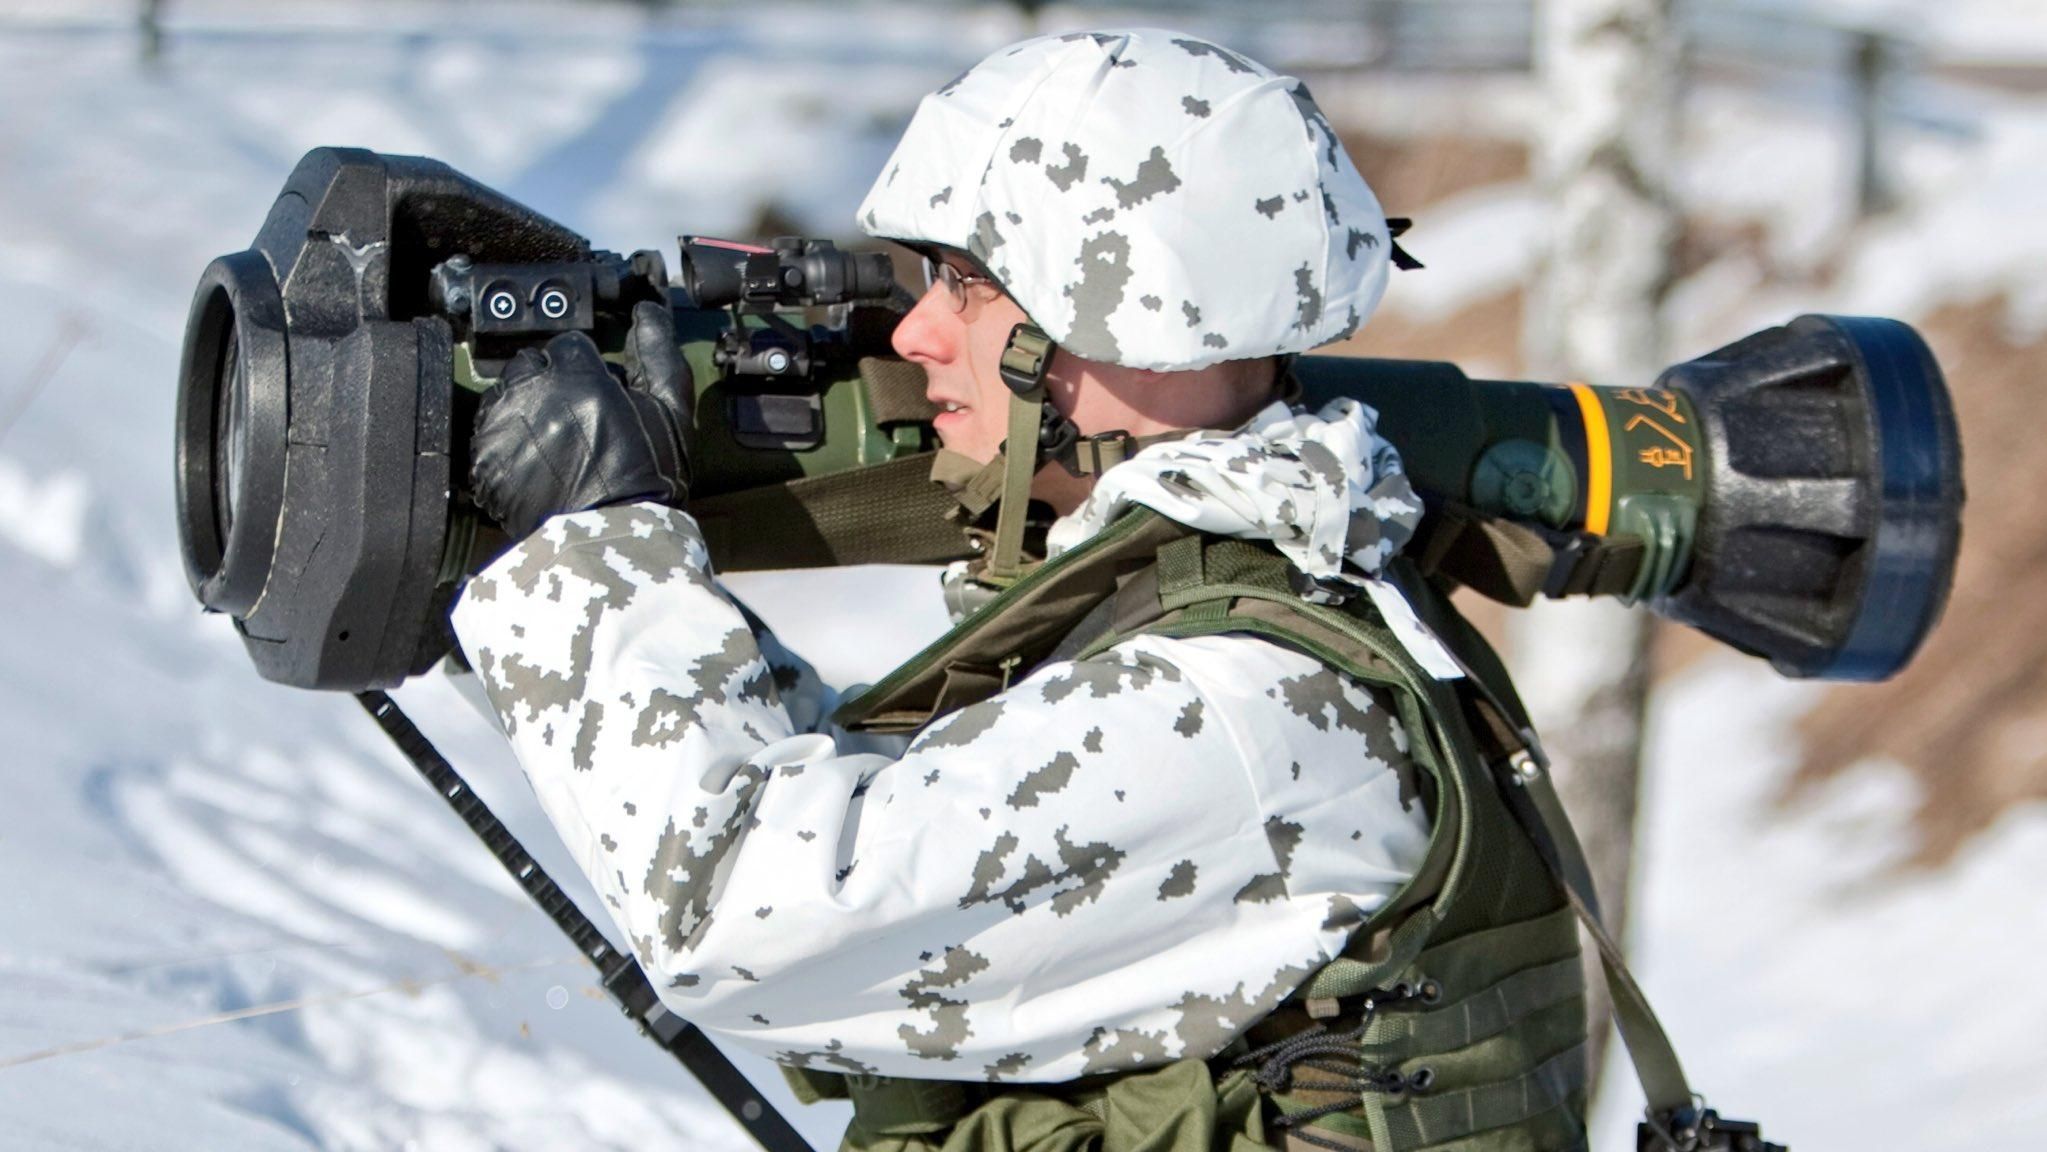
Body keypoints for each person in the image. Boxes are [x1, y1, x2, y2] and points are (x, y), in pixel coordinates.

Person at [453, 28, 1589, 1152]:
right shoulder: (1238, 585)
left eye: (969, 282)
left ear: (1137, 313)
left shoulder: (1234, 710)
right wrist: (545, 578)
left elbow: (751, 915)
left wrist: (590, 546)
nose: (914, 331)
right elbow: (874, 797)